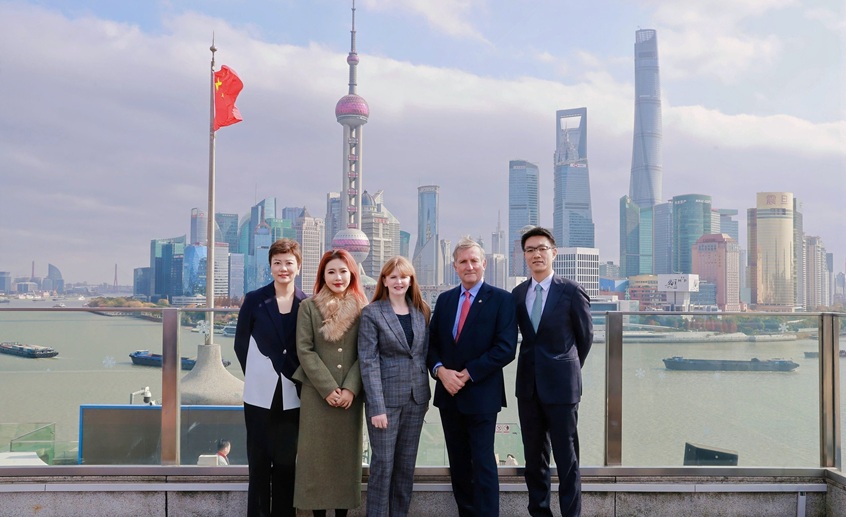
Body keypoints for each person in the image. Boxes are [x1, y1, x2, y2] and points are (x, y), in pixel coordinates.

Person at [427, 237, 518, 516]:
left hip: (481, 395)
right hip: (448, 395)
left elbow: (505, 349)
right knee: (459, 465)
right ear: (454, 266)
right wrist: (441, 372)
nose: (469, 266)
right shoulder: (444, 299)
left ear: (484, 264)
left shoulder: (502, 299)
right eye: (463, 261)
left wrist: (466, 375)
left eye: (474, 260)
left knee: (483, 463)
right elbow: (430, 346)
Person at [512, 227, 593, 517]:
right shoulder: (518, 294)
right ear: (524, 256)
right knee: (534, 460)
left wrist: (564, 367)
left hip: (562, 389)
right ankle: (540, 513)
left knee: (567, 461)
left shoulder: (570, 291)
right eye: (530, 250)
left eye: (541, 248)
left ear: (553, 253)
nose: (536, 254)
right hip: (528, 389)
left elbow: (584, 339)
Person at [234, 238, 307, 517]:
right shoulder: (255, 300)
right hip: (259, 395)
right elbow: (240, 344)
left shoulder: (306, 303)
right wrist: (258, 374)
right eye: (277, 263)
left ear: (298, 267)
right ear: (270, 266)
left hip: (294, 394)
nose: (283, 268)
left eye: (289, 263)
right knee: (259, 464)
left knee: (288, 465)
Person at [293, 249, 368, 517]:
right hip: (316, 395)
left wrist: (350, 388)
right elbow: (305, 350)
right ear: (322, 275)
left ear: (352, 274)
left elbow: (366, 352)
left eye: (343, 271)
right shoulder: (308, 307)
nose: (338, 277)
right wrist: (328, 389)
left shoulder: (363, 309)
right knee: (316, 459)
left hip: (350, 396)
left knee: (344, 459)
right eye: (331, 271)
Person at [358, 256, 431, 517]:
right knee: (383, 467)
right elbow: (368, 362)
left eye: (404, 276)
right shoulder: (372, 312)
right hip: (384, 404)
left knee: (405, 468)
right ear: (384, 281)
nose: (399, 281)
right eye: (393, 277)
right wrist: (376, 406)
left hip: (417, 399)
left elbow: (423, 354)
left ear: (411, 280)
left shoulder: (421, 311)